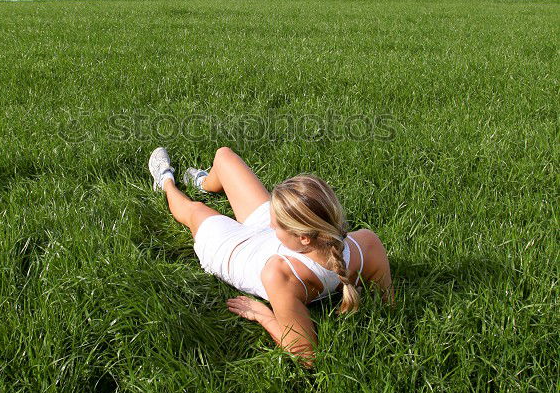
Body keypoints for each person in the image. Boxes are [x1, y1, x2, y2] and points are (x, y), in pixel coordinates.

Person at [148, 146, 394, 367]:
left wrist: (262, 315)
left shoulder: (283, 274)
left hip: (237, 253)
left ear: (304, 238)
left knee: (194, 210)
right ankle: (202, 182)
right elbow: (388, 300)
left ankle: (165, 181)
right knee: (224, 156)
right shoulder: (367, 243)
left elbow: (305, 355)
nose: (271, 225)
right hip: (276, 243)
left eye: (276, 224)